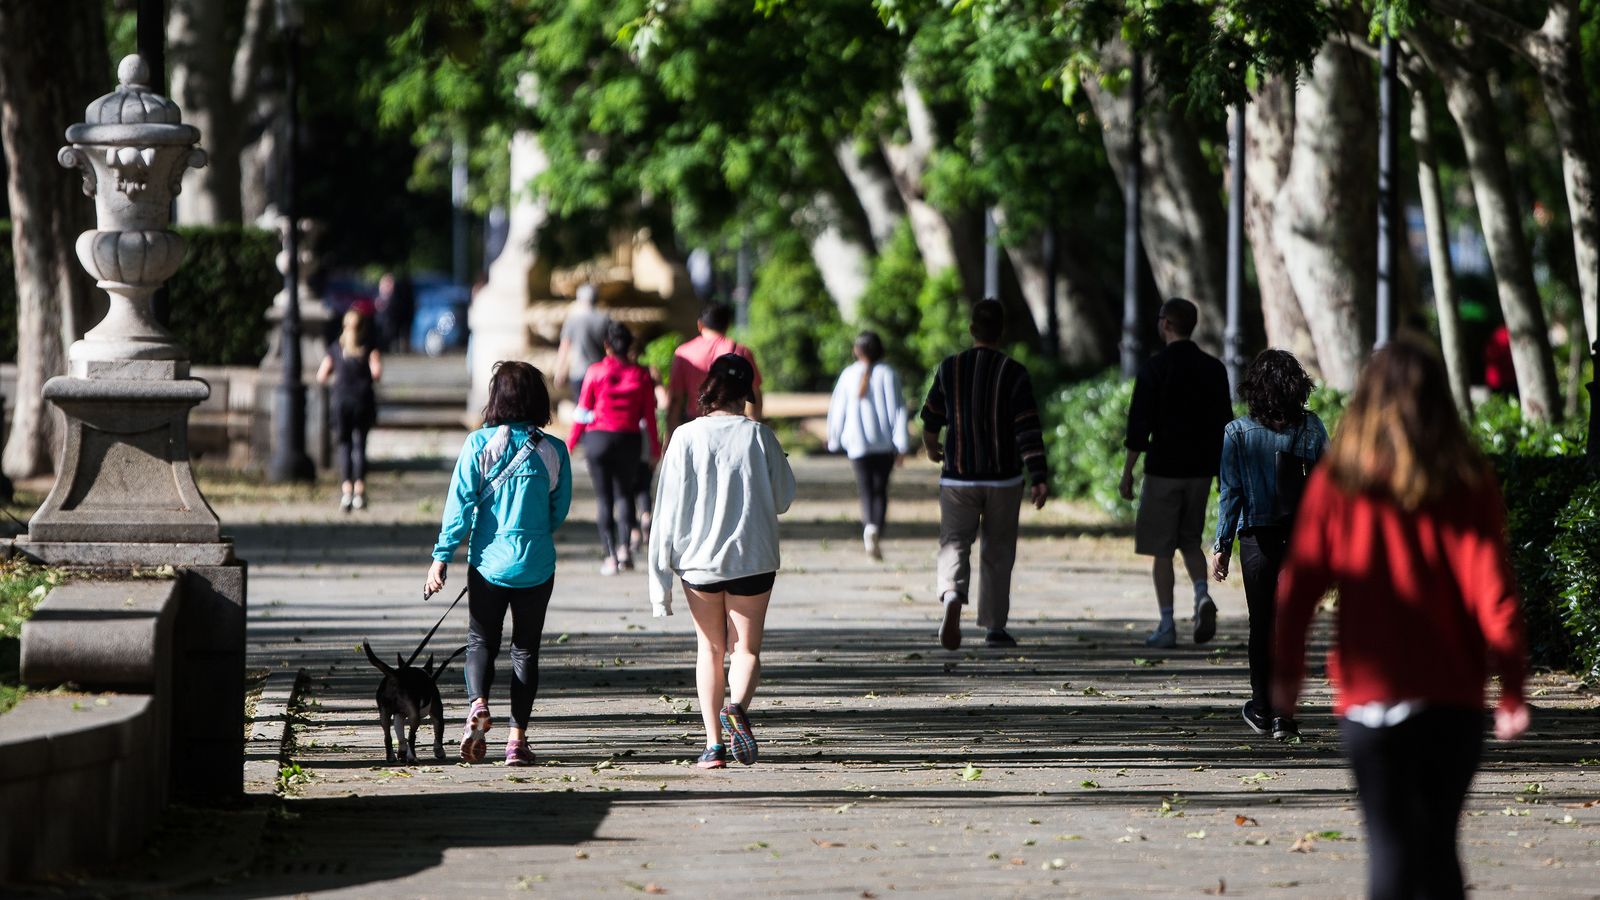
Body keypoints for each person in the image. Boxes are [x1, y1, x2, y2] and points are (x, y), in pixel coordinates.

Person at [1273, 336, 1529, 900]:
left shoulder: (1339, 481)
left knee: (1390, 851)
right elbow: (1495, 591)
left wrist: (1286, 677)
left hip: (1369, 699)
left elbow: (1298, 588)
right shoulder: (1468, 482)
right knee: (1438, 849)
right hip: (1452, 696)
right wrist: (1511, 688)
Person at [649, 353, 795, 770]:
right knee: (745, 649)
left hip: (698, 563)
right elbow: (784, 498)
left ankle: (713, 745)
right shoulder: (760, 437)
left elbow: (667, 508)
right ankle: (738, 708)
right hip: (753, 558)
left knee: (710, 649)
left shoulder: (684, 437)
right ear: (746, 395)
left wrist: (659, 579)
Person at [425, 361, 573, 767]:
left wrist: (442, 557)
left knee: (480, 641)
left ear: (497, 398)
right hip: (537, 566)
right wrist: (534, 531)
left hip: (488, 564)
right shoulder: (555, 449)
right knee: (525, 650)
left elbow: (458, 508)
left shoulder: (478, 445)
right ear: (538, 400)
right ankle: (516, 742)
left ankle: (478, 704)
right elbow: (558, 509)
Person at [1210, 350, 1328, 742]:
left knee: (1261, 625)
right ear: (1298, 387)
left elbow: (1231, 494)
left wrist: (1221, 546)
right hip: (1301, 538)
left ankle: (1261, 708)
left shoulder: (1237, 432)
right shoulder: (1312, 429)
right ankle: (1285, 716)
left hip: (1256, 540)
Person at [920, 299, 1049, 651]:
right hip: (1003, 478)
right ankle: (994, 627)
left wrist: (932, 447)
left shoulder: (951, 368)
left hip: (959, 476)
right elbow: (1027, 428)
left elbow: (931, 416)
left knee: (955, 542)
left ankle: (951, 596)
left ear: (972, 329)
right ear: (1001, 331)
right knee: (998, 550)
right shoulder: (1014, 372)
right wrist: (1038, 475)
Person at [1119, 297, 1233, 649]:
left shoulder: (1154, 368)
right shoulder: (1214, 369)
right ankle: (1201, 594)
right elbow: (1224, 424)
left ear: (1167, 323)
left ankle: (1166, 625)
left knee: (1161, 550)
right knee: (1189, 539)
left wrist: (1127, 472)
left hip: (1164, 469)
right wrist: (1222, 473)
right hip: (1200, 471)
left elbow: (1140, 425)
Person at [568, 321, 661, 576]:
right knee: (624, 495)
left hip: (598, 439)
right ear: (630, 346)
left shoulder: (595, 372)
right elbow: (649, 417)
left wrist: (570, 443)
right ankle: (625, 551)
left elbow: (583, 412)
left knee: (604, 499)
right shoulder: (641, 375)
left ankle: (610, 557)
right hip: (628, 440)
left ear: (607, 346)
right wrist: (654, 448)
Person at [826, 331, 912, 560]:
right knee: (880, 490)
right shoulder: (888, 374)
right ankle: (875, 527)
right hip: (884, 445)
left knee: (866, 490)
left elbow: (837, 409)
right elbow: (899, 410)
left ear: (857, 351)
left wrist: (834, 439)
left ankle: (868, 527)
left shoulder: (848, 375)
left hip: (857, 445)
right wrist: (902, 444)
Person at [664, 302, 763, 440]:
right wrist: (753, 425)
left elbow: (675, 400)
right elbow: (754, 394)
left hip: (695, 428)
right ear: (728, 325)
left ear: (700, 325)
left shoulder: (683, 353)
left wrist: (668, 437)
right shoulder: (740, 352)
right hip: (734, 428)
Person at [316, 309, 382, 512]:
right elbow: (377, 373)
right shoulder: (369, 348)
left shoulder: (336, 348)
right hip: (362, 401)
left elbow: (321, 376)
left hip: (341, 402)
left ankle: (346, 492)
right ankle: (360, 492)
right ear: (362, 328)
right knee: (360, 445)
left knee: (344, 446)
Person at [554, 283, 613, 400]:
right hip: (600, 372)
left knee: (581, 409)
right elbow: (611, 347)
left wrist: (560, 371)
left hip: (578, 372)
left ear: (579, 299)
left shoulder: (572, 320)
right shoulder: (605, 319)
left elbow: (565, 347)